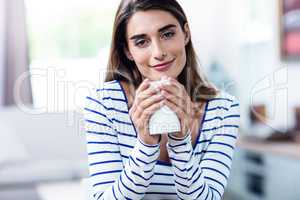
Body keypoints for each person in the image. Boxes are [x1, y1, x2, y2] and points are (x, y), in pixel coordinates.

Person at [84, 0, 240, 199]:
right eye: (141, 42)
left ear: (186, 34)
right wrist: (146, 145)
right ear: (128, 51)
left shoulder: (224, 109)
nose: (158, 53)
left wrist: (180, 141)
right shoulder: (102, 103)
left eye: (167, 34)